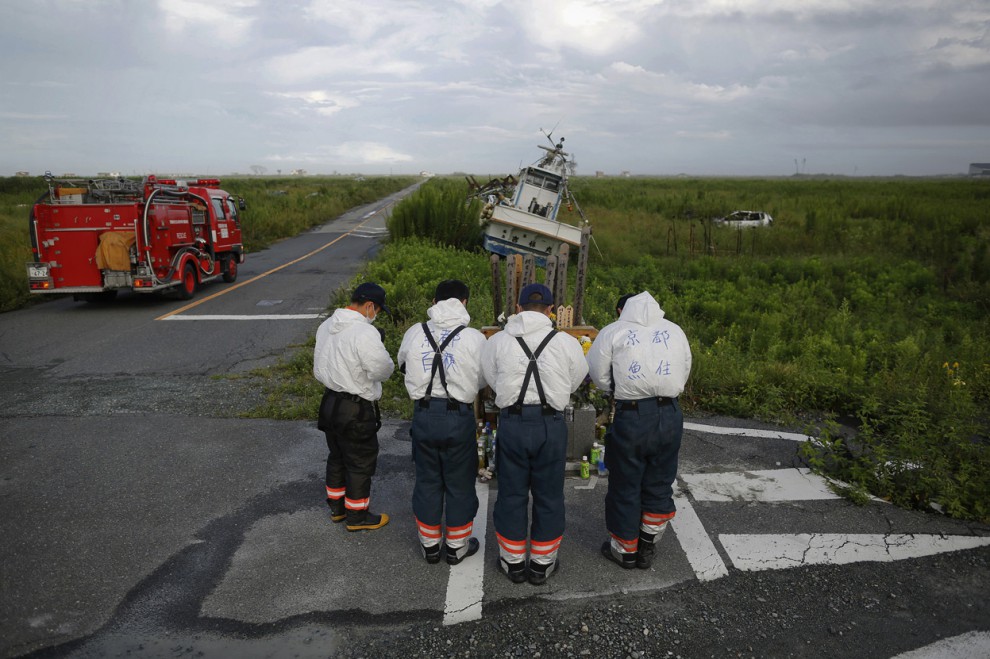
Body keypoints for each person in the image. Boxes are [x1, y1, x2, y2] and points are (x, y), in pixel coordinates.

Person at [481, 283, 588, 585]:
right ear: (552, 310)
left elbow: (491, 376)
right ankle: (541, 565)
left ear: (518, 308)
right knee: (549, 495)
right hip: (550, 425)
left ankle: (513, 564)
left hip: (512, 423)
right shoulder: (565, 341)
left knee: (511, 494)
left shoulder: (499, 341)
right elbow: (576, 379)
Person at [585, 291, 692, 569]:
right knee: (659, 479)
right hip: (670, 414)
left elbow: (597, 373)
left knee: (625, 482)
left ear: (622, 310)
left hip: (632, 415)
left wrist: (615, 389)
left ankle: (625, 551)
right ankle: (648, 544)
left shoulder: (613, 332)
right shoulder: (675, 330)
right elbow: (685, 367)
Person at [397, 280, 488, 565]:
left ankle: (430, 545)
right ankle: (457, 547)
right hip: (458, 417)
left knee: (427, 480)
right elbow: (484, 378)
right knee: (459, 483)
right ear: (465, 302)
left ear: (434, 302)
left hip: (423, 414)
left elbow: (403, 366)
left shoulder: (415, 332)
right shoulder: (474, 337)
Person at [313, 282, 395, 531]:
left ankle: (337, 509)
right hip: (355, 408)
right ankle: (357, 516)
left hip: (329, 403)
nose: (376, 316)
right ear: (370, 306)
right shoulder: (364, 332)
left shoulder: (326, 325)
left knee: (337, 457)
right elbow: (382, 369)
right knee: (359, 461)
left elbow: (319, 365)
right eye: (378, 310)